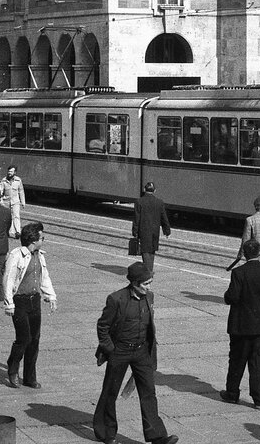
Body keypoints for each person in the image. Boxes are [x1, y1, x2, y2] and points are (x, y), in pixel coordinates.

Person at [93, 262, 179, 444]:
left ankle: (157, 436)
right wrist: (110, 349)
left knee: (149, 392)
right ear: (134, 283)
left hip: (141, 351)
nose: (149, 288)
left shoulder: (150, 296)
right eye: (145, 284)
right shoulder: (116, 299)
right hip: (120, 351)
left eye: (150, 283)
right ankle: (107, 432)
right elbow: (103, 326)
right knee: (110, 391)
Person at [220, 239, 260, 409]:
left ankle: (232, 393)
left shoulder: (238, 273)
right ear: (259, 253)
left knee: (237, 360)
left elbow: (233, 296)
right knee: (258, 362)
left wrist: (226, 297)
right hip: (259, 324)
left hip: (240, 324)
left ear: (244, 254)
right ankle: (259, 398)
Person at [3, 221, 58, 389]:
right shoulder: (17, 255)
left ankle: (29, 377)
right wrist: (9, 303)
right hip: (19, 301)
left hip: (35, 300)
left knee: (34, 340)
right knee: (24, 338)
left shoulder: (39, 255)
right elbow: (8, 279)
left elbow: (44, 277)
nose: (44, 240)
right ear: (34, 239)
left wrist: (51, 296)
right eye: (42, 237)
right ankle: (12, 369)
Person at [133, 181, 171, 275]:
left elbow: (136, 219)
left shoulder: (139, 201)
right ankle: (150, 270)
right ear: (155, 191)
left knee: (145, 251)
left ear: (144, 190)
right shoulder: (159, 202)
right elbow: (164, 218)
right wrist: (167, 231)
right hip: (155, 231)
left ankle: (148, 272)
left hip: (144, 230)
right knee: (152, 251)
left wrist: (135, 232)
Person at [0, 165, 26, 238]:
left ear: (15, 172)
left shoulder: (18, 180)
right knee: (6, 217)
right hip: (5, 202)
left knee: (16, 216)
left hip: (15, 202)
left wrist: (23, 202)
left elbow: (21, 191)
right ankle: (6, 231)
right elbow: (0, 192)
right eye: (8, 171)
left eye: (11, 171)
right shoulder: (3, 181)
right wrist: (0, 201)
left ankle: (18, 232)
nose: (9, 173)